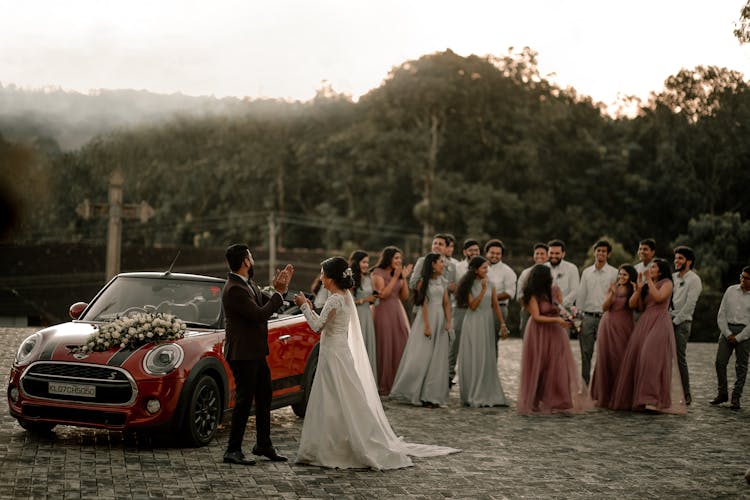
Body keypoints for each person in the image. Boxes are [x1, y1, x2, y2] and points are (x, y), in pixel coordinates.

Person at [293, 257, 459, 469]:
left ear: (332, 277)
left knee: (332, 398)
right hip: (339, 353)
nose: (322, 278)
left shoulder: (335, 299)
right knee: (341, 398)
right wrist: (310, 306)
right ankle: (331, 443)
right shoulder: (344, 296)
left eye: (323, 273)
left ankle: (329, 446)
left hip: (333, 355)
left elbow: (317, 327)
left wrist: (304, 307)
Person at [221, 243, 294, 465]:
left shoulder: (247, 284)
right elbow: (259, 315)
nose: (253, 260)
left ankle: (263, 444)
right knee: (244, 400)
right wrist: (278, 293)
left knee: (265, 394)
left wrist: (279, 290)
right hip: (242, 353)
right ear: (245, 261)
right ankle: (232, 450)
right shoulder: (234, 289)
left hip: (254, 352)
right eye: (251, 257)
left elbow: (268, 301)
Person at [610, 258, 686, 414]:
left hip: (660, 322)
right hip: (645, 322)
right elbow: (635, 306)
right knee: (640, 358)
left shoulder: (667, 283)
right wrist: (638, 289)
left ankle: (652, 399)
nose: (650, 269)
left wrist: (649, 281)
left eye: (653, 267)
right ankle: (642, 399)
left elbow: (659, 298)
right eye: (650, 267)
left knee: (650, 357)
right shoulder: (647, 284)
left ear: (661, 270)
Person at [517, 264, 592, 415]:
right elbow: (537, 317)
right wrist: (558, 320)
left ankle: (560, 400)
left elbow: (560, 308)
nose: (551, 277)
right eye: (548, 275)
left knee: (558, 364)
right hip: (538, 332)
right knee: (540, 365)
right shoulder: (531, 294)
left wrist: (569, 315)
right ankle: (535, 400)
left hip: (556, 332)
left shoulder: (555, 290)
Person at [390, 253, 452, 407]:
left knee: (437, 357)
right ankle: (413, 390)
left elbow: (446, 303)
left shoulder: (443, 281)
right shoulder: (422, 282)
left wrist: (449, 321)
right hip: (426, 319)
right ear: (433, 264)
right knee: (421, 355)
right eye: (440, 262)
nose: (443, 265)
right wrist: (427, 325)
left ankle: (431, 395)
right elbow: (423, 304)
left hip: (440, 318)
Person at [455, 256, 509, 407]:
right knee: (475, 357)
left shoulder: (491, 284)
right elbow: (472, 306)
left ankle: (489, 393)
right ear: (476, 269)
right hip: (473, 323)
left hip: (487, 323)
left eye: (487, 267)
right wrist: (483, 289)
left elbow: (495, 305)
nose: (487, 270)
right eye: (484, 267)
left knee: (487, 357)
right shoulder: (468, 285)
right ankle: (473, 393)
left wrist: (502, 324)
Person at [589, 265, 637, 408]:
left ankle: (622, 395)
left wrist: (637, 290)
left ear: (630, 277)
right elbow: (604, 307)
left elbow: (633, 306)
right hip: (607, 324)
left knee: (621, 357)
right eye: (620, 274)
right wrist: (611, 293)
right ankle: (604, 395)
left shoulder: (632, 289)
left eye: (625, 275)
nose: (621, 277)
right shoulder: (613, 287)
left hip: (624, 325)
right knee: (605, 357)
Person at [372, 246, 413, 395]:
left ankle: (399, 382)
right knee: (386, 344)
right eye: (396, 258)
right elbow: (382, 295)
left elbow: (404, 296)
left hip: (397, 310)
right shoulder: (378, 273)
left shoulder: (398, 274)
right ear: (388, 258)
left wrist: (404, 278)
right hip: (383, 311)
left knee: (401, 342)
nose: (399, 261)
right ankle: (384, 383)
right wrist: (396, 277)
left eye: (400, 259)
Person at [576, 240, 618, 385]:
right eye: (598, 250)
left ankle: (601, 386)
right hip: (587, 317)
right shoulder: (587, 272)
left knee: (605, 353)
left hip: (605, 318)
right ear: (594, 252)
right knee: (585, 353)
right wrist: (578, 320)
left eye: (604, 251)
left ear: (608, 254)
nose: (601, 253)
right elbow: (581, 296)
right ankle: (585, 385)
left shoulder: (614, 273)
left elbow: (615, 297)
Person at [710, 266, 750, 410]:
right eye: (741, 276)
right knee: (719, 363)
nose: (742, 280)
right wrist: (727, 333)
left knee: (741, 367)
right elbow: (721, 314)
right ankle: (722, 393)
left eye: (746, 278)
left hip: (745, 333)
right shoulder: (730, 290)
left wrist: (739, 337)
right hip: (727, 330)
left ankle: (736, 397)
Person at [670, 246, 702, 406]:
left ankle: (686, 393)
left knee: (679, 358)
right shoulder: (673, 277)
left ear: (689, 261)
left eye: (680, 258)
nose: (676, 261)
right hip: (668, 321)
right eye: (675, 258)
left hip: (682, 324)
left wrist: (674, 321)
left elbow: (690, 305)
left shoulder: (694, 279)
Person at [449, 238, 481, 386]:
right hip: (460, 308)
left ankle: (471, 377)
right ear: (465, 252)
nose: (474, 253)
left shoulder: (483, 266)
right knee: (455, 343)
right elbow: (452, 286)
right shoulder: (458, 266)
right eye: (471, 250)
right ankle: (449, 374)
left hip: (478, 310)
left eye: (476, 250)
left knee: (474, 343)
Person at [350, 250, 378, 379]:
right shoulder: (351, 279)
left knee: (367, 346)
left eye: (368, 262)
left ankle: (367, 380)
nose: (367, 265)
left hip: (367, 314)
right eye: (364, 262)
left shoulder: (368, 278)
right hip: (357, 315)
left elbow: (373, 299)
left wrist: (375, 297)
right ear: (357, 262)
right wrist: (365, 300)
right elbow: (348, 302)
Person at [484, 239, 517, 339]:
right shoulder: (480, 268)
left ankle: (493, 355)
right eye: (492, 253)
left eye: (498, 253)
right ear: (486, 253)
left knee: (492, 340)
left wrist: (489, 298)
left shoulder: (507, 271)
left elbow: (510, 293)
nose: (495, 255)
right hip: (479, 308)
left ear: (502, 255)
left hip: (499, 307)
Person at [516, 243, 549, 338]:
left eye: (542, 254)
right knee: (527, 338)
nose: (539, 256)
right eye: (537, 253)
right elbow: (519, 295)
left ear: (547, 256)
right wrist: (533, 310)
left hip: (547, 312)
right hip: (527, 311)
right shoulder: (525, 273)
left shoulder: (552, 273)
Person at [546, 239, 579, 312]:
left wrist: (560, 305)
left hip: (565, 310)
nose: (554, 256)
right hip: (546, 310)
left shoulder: (572, 268)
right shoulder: (543, 268)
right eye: (551, 253)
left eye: (557, 253)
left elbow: (575, 291)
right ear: (548, 253)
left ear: (563, 254)